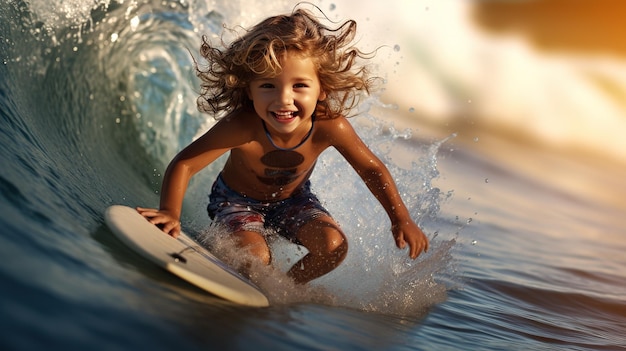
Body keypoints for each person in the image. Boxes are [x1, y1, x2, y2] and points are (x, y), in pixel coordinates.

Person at [137, 8, 428, 284]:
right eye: (268, 86)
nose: (283, 99)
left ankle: (284, 287)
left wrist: (400, 219)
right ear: (249, 90)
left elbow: (371, 168)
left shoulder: (330, 126)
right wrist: (169, 213)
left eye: (299, 85)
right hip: (236, 201)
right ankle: (243, 262)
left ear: (322, 88)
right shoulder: (243, 126)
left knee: (334, 247)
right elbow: (186, 163)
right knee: (256, 258)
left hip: (294, 201)